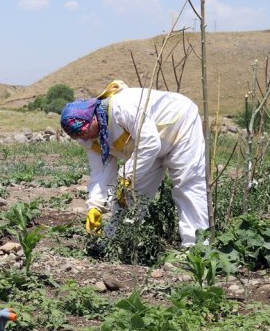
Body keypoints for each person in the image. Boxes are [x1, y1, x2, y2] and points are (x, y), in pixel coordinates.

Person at [59, 80, 208, 246]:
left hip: (180, 124)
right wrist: (95, 206)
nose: (85, 138)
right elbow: (101, 172)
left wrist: (126, 175)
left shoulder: (122, 107)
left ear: (93, 117)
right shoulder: (88, 139)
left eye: (85, 132)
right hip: (147, 147)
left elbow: (150, 142)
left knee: (187, 184)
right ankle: (117, 243)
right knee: (132, 196)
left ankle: (196, 248)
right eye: (78, 136)